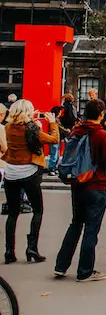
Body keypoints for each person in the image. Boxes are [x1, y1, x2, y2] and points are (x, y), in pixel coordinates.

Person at [54, 99, 106, 282]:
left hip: (77, 182)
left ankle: (61, 265)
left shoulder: (77, 130)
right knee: (91, 229)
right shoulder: (101, 135)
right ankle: (85, 271)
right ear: (101, 114)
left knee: (75, 223)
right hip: (95, 183)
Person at [3, 99, 59, 264]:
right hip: (29, 171)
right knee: (37, 210)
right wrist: (52, 123)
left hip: (11, 172)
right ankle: (32, 248)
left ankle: (9, 251)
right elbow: (53, 139)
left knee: (13, 212)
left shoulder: (8, 127)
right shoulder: (32, 129)